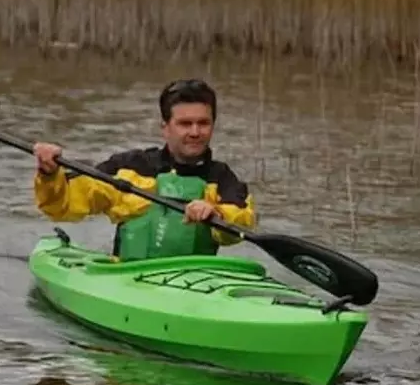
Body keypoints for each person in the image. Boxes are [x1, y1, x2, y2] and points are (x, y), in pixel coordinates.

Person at [32, 78, 256, 261]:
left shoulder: (223, 179)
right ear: (165, 128)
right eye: (185, 124)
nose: (195, 132)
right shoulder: (129, 168)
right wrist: (50, 173)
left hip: (193, 285)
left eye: (203, 123)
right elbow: (62, 205)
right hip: (127, 280)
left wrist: (215, 212)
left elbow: (241, 222)